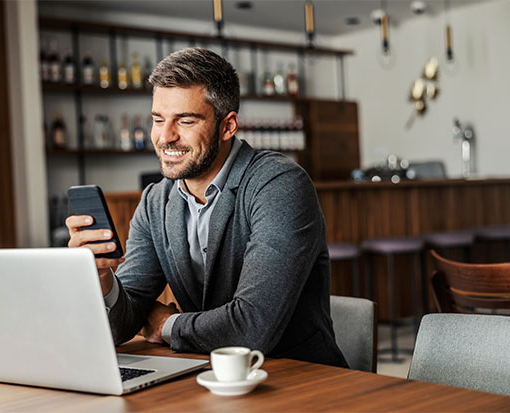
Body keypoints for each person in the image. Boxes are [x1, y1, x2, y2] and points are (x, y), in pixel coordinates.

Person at [66, 47, 347, 367]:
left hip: (301, 379)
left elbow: (252, 327)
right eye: (158, 119)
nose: (165, 137)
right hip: (207, 374)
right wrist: (102, 277)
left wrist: (165, 324)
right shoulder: (155, 201)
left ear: (228, 126)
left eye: (185, 120)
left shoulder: (279, 184)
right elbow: (125, 318)